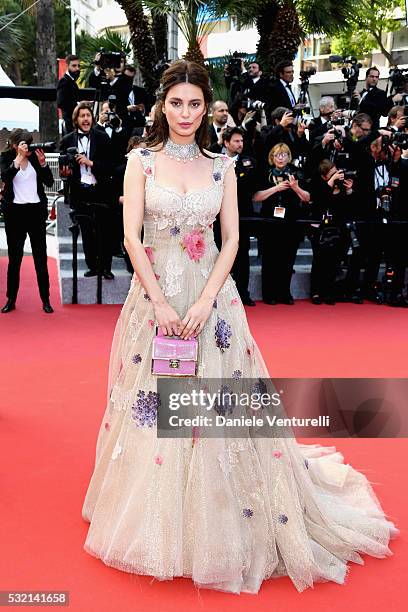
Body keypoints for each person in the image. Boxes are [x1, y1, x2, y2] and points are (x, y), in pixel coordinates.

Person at [81, 60, 398, 595]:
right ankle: (157, 514)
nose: (185, 114)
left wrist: (205, 302)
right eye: (176, 103)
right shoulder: (141, 162)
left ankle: (228, 512)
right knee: (154, 402)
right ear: (162, 104)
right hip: (154, 297)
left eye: (195, 104)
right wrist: (159, 301)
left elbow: (230, 240)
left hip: (214, 304)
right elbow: (132, 238)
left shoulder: (222, 166)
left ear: (207, 107)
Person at [0, 129, 54, 313]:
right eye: (23, 143)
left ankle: (46, 300)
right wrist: (18, 158)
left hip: (35, 213)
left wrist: (43, 164)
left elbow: (48, 182)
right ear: (15, 144)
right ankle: (11, 299)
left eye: (28, 142)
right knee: (14, 259)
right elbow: (5, 177)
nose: (27, 146)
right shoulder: (7, 157)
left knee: (40, 258)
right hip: (15, 213)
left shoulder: (34, 158)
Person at [60, 102, 114, 279]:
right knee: (86, 232)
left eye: (88, 116)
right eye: (82, 116)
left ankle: (106, 268)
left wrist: (90, 163)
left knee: (104, 231)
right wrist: (65, 172)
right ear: (76, 119)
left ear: (92, 118)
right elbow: (63, 169)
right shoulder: (67, 140)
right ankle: (92, 266)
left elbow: (110, 166)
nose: (85, 119)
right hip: (79, 192)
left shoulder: (103, 137)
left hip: (100, 191)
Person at [254, 143, 310, 304]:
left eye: (284, 155)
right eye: (277, 155)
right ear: (272, 157)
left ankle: (285, 293)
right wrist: (276, 188)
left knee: (287, 259)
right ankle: (269, 294)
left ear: (289, 157)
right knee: (270, 259)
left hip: (290, 222)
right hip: (269, 222)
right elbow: (257, 197)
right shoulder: (265, 173)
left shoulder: (295, 173)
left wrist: (296, 188)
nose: (280, 158)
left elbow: (306, 198)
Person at [57, 54, 81, 135]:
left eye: (78, 66)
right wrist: (79, 105)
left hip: (75, 123)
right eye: (74, 66)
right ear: (67, 66)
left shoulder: (72, 81)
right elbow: (61, 102)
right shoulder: (64, 81)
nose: (77, 68)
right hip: (69, 124)